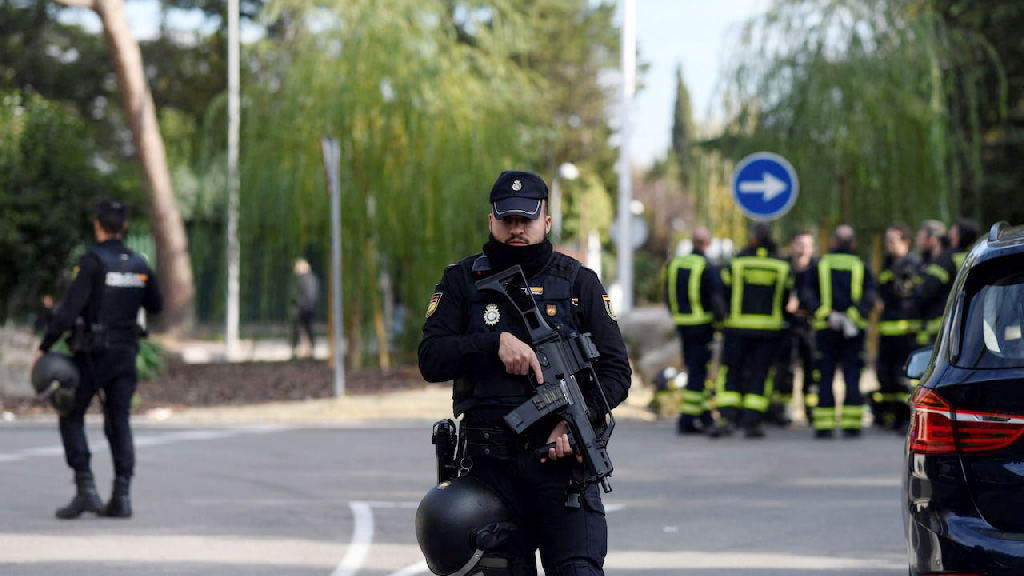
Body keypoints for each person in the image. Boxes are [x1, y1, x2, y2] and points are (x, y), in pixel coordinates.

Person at [418, 170, 631, 575]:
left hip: (564, 473)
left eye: (526, 220)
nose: (517, 229)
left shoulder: (577, 283)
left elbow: (616, 372)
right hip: (489, 475)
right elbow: (431, 358)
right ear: (491, 221)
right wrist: (490, 345)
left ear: (546, 222)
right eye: (507, 219)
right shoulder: (462, 281)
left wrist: (573, 425)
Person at [31, 199, 163, 519]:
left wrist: (45, 346)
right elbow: (156, 304)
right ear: (125, 227)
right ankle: (122, 495)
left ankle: (86, 489)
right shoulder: (139, 265)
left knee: (71, 415)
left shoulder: (92, 262)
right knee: (119, 422)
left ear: (98, 225)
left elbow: (67, 311)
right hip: (126, 355)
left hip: (91, 355)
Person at [710, 222, 794, 439]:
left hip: (737, 329)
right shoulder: (781, 266)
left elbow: (722, 293)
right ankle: (753, 421)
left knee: (732, 374)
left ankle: (728, 418)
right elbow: (788, 299)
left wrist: (723, 318)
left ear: (753, 239)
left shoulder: (737, 263)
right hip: (769, 331)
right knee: (761, 374)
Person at [805, 224, 876, 439]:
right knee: (852, 376)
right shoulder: (861, 266)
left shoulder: (819, 264)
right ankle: (851, 425)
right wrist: (852, 317)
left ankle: (824, 426)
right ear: (853, 244)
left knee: (825, 376)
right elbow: (870, 297)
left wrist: (826, 315)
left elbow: (807, 294)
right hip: (853, 332)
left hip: (825, 330)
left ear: (833, 242)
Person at [664, 226, 725, 434]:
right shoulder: (707, 266)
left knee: (694, 370)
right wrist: (721, 323)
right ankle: (688, 419)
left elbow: (667, 295)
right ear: (707, 244)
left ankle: (702, 415)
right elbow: (715, 299)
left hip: (683, 325)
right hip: (702, 326)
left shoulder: (675, 264)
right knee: (699, 373)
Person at [767, 229, 818, 427]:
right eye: (800, 244)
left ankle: (812, 411)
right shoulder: (784, 267)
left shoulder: (816, 269)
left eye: (807, 244)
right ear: (792, 245)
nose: (804, 249)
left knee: (812, 370)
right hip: (787, 326)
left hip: (810, 325)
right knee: (785, 369)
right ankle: (782, 411)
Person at [873, 222, 920, 432]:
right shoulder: (887, 263)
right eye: (887, 241)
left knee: (903, 377)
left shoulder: (913, 264)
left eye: (892, 241)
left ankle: (904, 418)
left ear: (906, 242)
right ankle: (888, 415)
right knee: (885, 374)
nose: (888, 245)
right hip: (886, 329)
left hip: (905, 330)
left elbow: (908, 295)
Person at [914, 219, 954, 347]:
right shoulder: (924, 262)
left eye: (921, 237)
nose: (917, 241)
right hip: (928, 330)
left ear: (932, 240)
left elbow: (927, 292)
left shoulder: (942, 263)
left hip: (940, 331)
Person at [290, 258, 320, 359]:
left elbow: (307, 295)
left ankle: (304, 351)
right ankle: (307, 351)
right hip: (307, 308)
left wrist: (299, 304)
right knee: (306, 329)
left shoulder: (305, 279)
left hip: (304, 309)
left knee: (303, 329)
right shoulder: (311, 278)